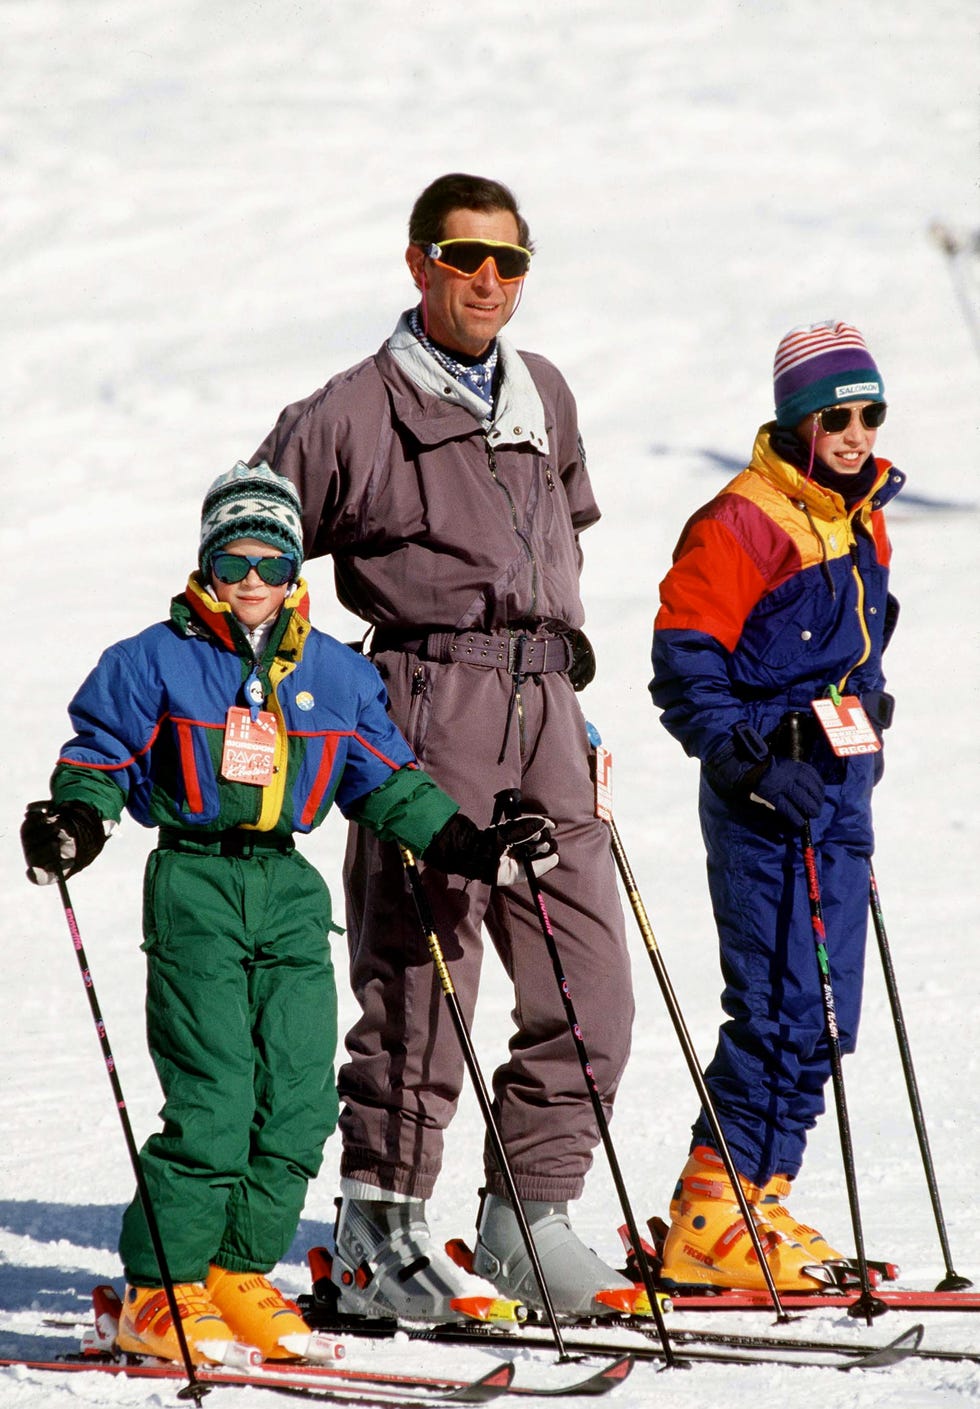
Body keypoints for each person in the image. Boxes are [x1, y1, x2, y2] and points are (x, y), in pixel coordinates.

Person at [21, 461, 558, 1364]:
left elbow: (386, 781)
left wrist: (468, 844)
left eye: (274, 564)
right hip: (194, 883)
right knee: (218, 1096)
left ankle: (233, 1268)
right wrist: (74, 819)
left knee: (302, 1098)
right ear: (206, 567)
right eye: (235, 564)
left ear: (296, 570)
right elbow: (101, 755)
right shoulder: (154, 659)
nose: (256, 585)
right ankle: (159, 1286)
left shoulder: (334, 674)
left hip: (286, 887)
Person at [250, 172, 636, 1321]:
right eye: (463, 257)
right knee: (424, 976)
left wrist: (564, 672)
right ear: (418, 262)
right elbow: (251, 545)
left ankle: (529, 1219)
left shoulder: (545, 396)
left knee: (588, 979)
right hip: (425, 703)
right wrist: (311, 697)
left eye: (508, 262)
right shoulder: (349, 412)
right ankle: (382, 1232)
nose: (487, 280)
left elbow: (556, 540)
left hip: (547, 712)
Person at [649, 320, 903, 1290]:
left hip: (838, 787)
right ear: (796, 419)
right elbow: (685, 666)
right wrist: (744, 759)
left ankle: (760, 1197)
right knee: (776, 1002)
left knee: (828, 1013)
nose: (853, 432)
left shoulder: (861, 512)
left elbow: (854, 643)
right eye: (834, 416)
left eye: (867, 413)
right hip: (766, 792)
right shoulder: (740, 519)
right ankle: (712, 1208)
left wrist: (867, 699)